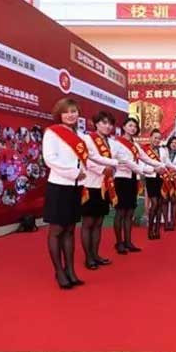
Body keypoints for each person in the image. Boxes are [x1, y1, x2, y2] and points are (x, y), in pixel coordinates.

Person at [42, 98, 115, 290]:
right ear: (59, 114)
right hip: (59, 186)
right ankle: (59, 271)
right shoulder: (52, 133)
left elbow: (87, 160)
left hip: (76, 188)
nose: (71, 115)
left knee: (69, 230)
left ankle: (71, 270)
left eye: (74, 111)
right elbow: (50, 159)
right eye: (67, 111)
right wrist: (74, 172)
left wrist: (103, 169)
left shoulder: (80, 136)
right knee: (57, 230)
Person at [110, 115, 159, 255]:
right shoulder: (116, 143)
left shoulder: (136, 145)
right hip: (121, 179)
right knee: (120, 212)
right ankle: (119, 242)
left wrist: (160, 165)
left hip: (133, 179)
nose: (133, 128)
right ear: (124, 127)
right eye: (130, 125)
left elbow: (146, 158)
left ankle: (128, 241)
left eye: (135, 126)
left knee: (130, 211)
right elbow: (111, 160)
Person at [79, 108, 119, 270]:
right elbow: (86, 159)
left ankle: (95, 254)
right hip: (90, 184)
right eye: (104, 123)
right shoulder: (87, 138)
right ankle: (88, 258)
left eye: (110, 124)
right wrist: (102, 169)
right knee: (88, 222)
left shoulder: (111, 142)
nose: (107, 126)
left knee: (98, 222)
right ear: (96, 124)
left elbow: (116, 161)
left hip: (104, 186)